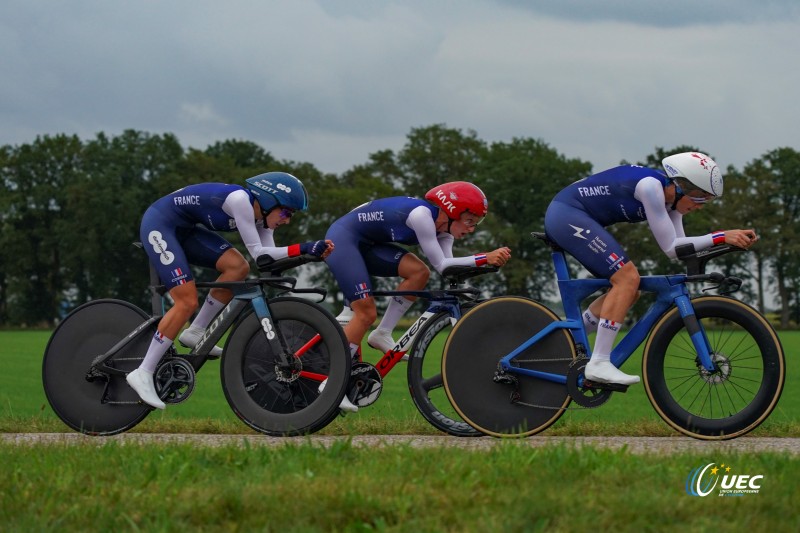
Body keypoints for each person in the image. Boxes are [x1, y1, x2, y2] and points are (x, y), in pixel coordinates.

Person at [544, 152, 758, 385]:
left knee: (629, 291)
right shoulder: (650, 188)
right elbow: (670, 246)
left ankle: (561, 341)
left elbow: (678, 249)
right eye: (700, 198)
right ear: (681, 186)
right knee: (627, 279)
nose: (701, 207)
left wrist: (723, 244)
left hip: (576, 215)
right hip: (567, 213)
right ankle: (599, 363)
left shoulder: (671, 203)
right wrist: (721, 236)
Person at [126, 172, 334, 410]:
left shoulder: (262, 220)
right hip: (160, 224)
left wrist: (310, 256)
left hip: (185, 229)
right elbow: (261, 254)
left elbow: (268, 261)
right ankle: (143, 371)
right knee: (186, 301)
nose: (287, 220)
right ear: (268, 201)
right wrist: (306, 247)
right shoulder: (240, 202)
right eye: (286, 212)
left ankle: (196, 331)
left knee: (237, 268)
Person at [325, 181, 511, 399]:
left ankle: (382, 333)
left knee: (419, 273)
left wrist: (486, 265)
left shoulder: (445, 232)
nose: (471, 229)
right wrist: (484, 257)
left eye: (476, 224)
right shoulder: (422, 216)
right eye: (469, 221)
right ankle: (334, 385)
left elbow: (448, 268)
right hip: (343, 240)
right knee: (366, 313)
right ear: (451, 212)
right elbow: (443, 265)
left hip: (368, 244)